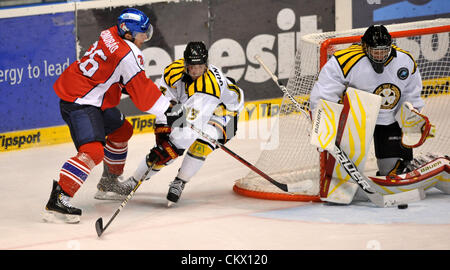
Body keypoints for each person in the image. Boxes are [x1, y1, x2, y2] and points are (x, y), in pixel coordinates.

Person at [42, 8, 179, 223]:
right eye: (142, 34)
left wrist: (125, 83)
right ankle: (58, 200)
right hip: (80, 100)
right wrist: (168, 110)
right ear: (128, 34)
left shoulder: (110, 33)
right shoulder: (129, 54)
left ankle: (109, 183)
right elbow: (144, 96)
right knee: (93, 151)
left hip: (88, 91)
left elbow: (112, 70)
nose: (146, 37)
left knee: (122, 130)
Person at [121, 41, 244, 206]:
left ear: (206, 65)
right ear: (185, 63)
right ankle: (133, 181)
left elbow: (187, 135)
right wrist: (162, 129)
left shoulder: (208, 88)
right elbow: (164, 103)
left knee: (198, 145)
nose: (196, 71)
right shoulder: (174, 70)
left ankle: (180, 181)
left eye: (200, 66)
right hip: (196, 108)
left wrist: (166, 149)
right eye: (192, 66)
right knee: (166, 147)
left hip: (225, 113)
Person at [310, 24, 428, 177]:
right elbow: (324, 93)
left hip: (390, 119)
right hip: (356, 120)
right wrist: (323, 127)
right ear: (365, 47)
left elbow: (411, 92)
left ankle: (414, 164)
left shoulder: (405, 60)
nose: (380, 55)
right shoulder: (345, 60)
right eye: (376, 51)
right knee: (343, 176)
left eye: (384, 51)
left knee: (392, 173)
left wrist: (413, 113)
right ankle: (341, 181)